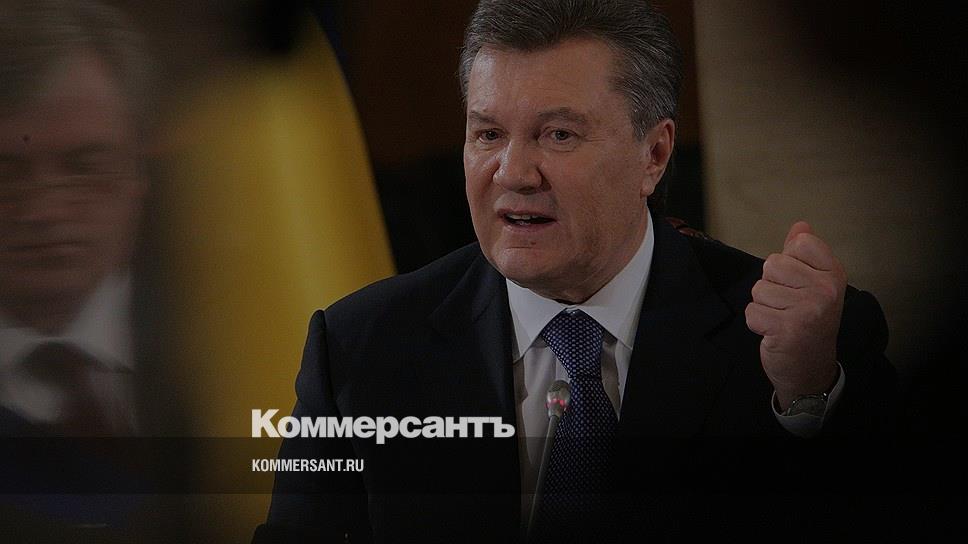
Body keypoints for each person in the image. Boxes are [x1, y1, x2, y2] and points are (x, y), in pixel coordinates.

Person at [255, 1, 896, 542]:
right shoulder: (359, 348)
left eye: (558, 135)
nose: (513, 173)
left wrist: (807, 400)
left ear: (654, 154)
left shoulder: (801, 346)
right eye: (488, 134)